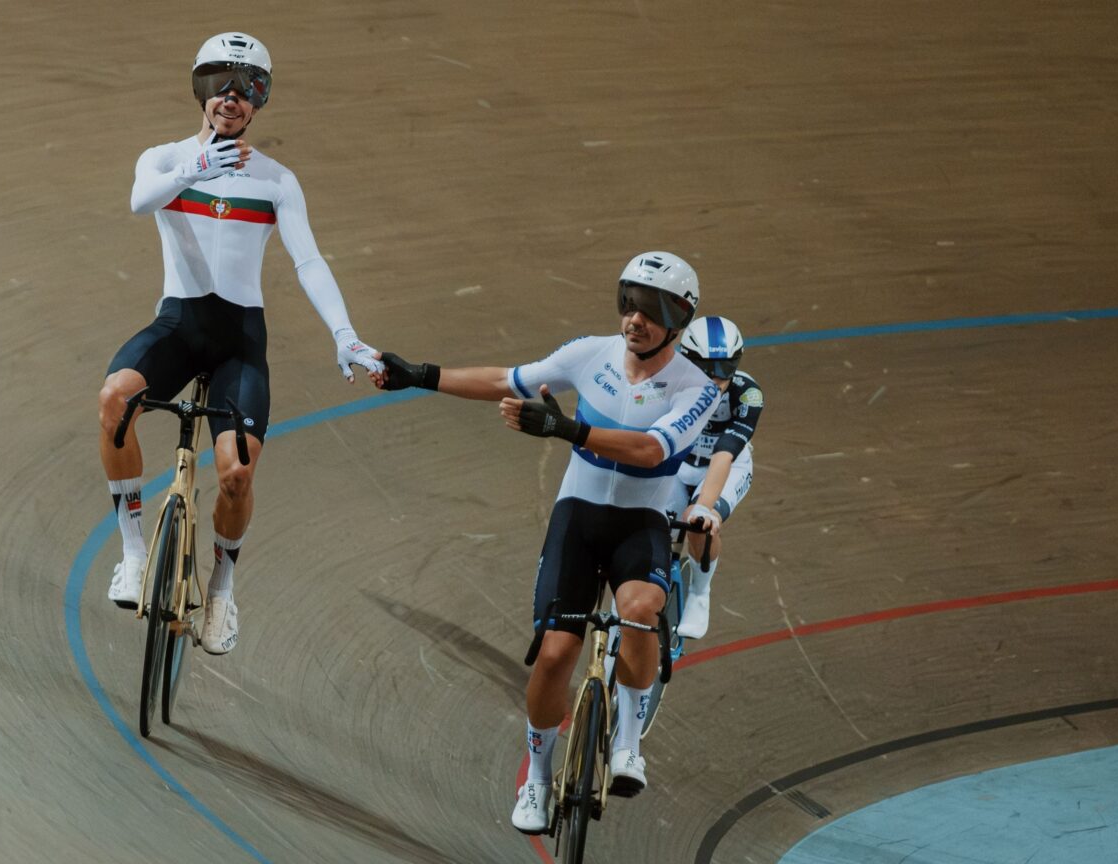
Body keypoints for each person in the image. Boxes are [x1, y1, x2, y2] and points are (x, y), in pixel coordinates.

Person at [372, 252, 721, 833]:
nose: (634, 319)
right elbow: (507, 380)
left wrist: (566, 429)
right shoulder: (591, 354)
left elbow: (651, 451)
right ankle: (536, 776)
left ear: (679, 318)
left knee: (638, 612)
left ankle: (630, 741)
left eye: (651, 309)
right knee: (557, 653)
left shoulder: (697, 388)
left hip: (642, 523)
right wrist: (422, 375)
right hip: (579, 519)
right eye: (628, 302)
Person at [98, 32, 383, 656]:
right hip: (178, 326)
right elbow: (139, 201)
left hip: (238, 344)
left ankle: (222, 590)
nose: (231, 97)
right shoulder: (165, 158)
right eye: (220, 84)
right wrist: (200, 166)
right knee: (115, 401)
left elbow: (308, 262)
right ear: (201, 91)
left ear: (260, 100)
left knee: (235, 474)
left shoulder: (277, 181)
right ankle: (133, 550)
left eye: (246, 86)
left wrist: (345, 333)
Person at [669, 316, 763, 639]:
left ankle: (699, 592)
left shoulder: (747, 394)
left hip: (726, 467)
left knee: (698, 525)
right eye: (705, 369)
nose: (716, 379)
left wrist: (703, 507)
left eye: (725, 368)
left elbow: (725, 452)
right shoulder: (668, 381)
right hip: (679, 464)